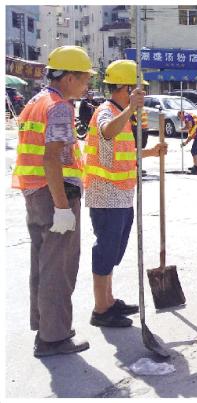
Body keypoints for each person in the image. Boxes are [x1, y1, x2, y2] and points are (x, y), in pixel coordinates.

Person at [12, 46, 95, 357]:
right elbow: (52, 158)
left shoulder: (36, 101)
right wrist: (62, 207)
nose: (87, 84)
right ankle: (53, 337)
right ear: (69, 77)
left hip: (34, 192)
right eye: (85, 78)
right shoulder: (59, 107)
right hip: (53, 194)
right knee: (59, 267)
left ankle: (46, 325)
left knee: (43, 264)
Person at [83, 60, 167, 328]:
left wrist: (150, 153)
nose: (141, 95)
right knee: (106, 250)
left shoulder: (122, 115)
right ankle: (101, 309)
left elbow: (120, 153)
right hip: (106, 195)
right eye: (137, 90)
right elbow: (106, 132)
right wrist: (131, 107)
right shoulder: (107, 112)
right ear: (124, 88)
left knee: (114, 251)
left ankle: (108, 300)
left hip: (121, 194)